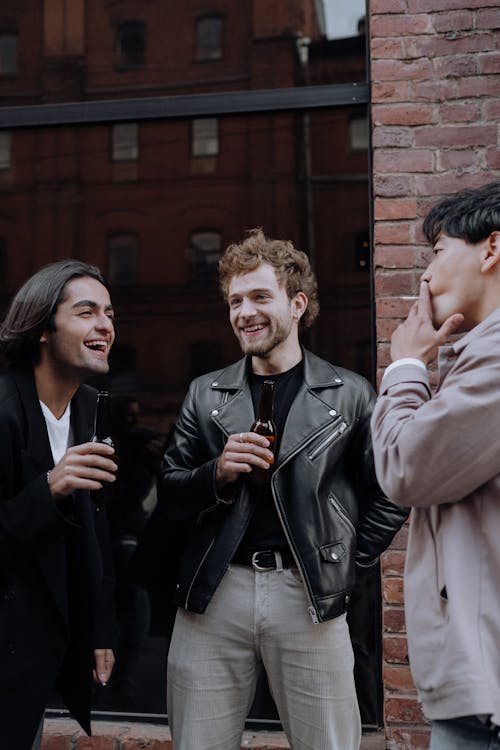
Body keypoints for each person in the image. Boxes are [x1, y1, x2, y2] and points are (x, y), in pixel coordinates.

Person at [159, 228, 408, 750]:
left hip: (310, 594)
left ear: (297, 304)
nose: (244, 312)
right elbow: (170, 492)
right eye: (234, 301)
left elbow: (389, 491)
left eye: (259, 297)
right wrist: (217, 473)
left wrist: (345, 560)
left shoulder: (351, 393)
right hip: (212, 595)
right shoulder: (205, 393)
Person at [370, 180, 500, 749]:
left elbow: (407, 470)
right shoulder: (482, 353)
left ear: (491, 250)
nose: (425, 275)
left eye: (438, 251)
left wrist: (404, 367)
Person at [0, 260, 118, 749]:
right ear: (43, 330)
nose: (105, 325)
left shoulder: (88, 405)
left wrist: (99, 626)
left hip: (34, 645)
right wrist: (47, 488)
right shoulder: (3, 406)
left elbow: (94, 527)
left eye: (110, 313)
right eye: (86, 312)